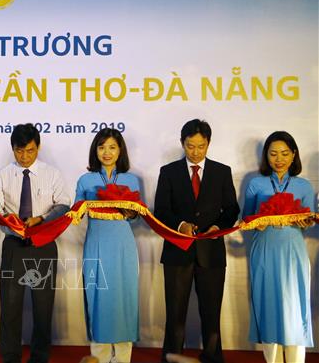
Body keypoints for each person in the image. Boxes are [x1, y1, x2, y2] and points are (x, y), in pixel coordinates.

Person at [154, 119, 239, 363]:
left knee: (211, 313)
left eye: (201, 146)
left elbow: (232, 209)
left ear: (208, 143)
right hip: (177, 251)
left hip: (211, 252)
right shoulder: (168, 172)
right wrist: (181, 225)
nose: (195, 152)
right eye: (190, 146)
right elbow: (161, 210)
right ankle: (172, 357)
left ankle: (212, 357)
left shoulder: (222, 172)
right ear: (182, 143)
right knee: (175, 313)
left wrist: (218, 227)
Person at [0, 123, 71, 363]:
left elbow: (64, 205)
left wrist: (42, 219)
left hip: (43, 244)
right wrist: (11, 223)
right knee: (10, 305)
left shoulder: (52, 173)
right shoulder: (3, 175)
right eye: (19, 151)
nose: (25, 157)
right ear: (12, 148)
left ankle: (39, 357)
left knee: (43, 306)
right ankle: (10, 357)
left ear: (38, 147)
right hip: (13, 245)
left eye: (30, 151)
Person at [244, 131, 315, 363]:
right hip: (264, 250)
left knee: (294, 308)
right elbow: (246, 218)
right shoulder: (256, 183)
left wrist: (306, 222)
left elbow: (309, 218)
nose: (279, 159)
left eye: (284, 153)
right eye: (273, 153)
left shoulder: (304, 186)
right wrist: (257, 222)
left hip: (293, 251)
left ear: (294, 154)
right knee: (268, 306)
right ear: (266, 156)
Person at [74, 128, 140, 363]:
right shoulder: (85, 180)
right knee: (97, 298)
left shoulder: (131, 180)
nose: (107, 152)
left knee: (124, 298)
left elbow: (136, 215)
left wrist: (128, 211)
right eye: (101, 147)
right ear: (95, 151)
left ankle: (122, 358)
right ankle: (99, 357)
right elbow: (76, 213)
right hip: (96, 245)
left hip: (123, 246)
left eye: (112, 147)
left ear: (120, 150)